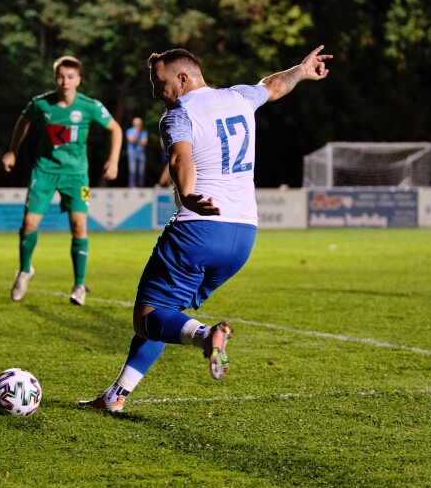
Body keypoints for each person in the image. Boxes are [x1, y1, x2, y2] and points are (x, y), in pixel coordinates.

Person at [79, 46, 332, 412]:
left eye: (159, 82)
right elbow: (273, 85)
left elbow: (181, 157)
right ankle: (115, 396)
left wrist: (189, 194)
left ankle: (206, 334)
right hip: (243, 236)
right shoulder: (238, 97)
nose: (155, 91)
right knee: (169, 312)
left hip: (199, 231)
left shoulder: (178, 114)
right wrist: (302, 70)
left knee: (148, 316)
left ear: (183, 79)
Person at [1, 55, 122, 306]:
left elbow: (116, 129)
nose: (64, 81)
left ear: (78, 79)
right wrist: (12, 150)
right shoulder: (41, 104)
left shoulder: (89, 106)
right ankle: (24, 271)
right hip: (43, 172)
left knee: (79, 226)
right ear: (54, 78)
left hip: (78, 177)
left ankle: (79, 285)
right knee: (28, 223)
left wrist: (114, 160)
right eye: (60, 76)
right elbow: (22, 121)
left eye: (70, 77)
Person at [125, 117, 148, 188]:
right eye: (137, 123)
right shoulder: (129, 131)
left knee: (141, 171)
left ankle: (141, 185)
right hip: (132, 152)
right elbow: (130, 140)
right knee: (132, 170)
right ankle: (132, 185)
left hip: (141, 152)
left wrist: (135, 140)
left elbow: (144, 142)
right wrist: (136, 133)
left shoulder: (144, 132)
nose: (138, 125)